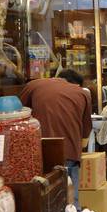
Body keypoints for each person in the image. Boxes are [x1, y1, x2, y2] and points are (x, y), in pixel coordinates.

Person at [20, 68, 92, 204]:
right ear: (75, 84)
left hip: (38, 150)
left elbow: (18, 112)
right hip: (69, 150)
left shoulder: (34, 85)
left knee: (45, 193)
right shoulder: (82, 93)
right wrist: (81, 146)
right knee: (71, 192)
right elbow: (86, 128)